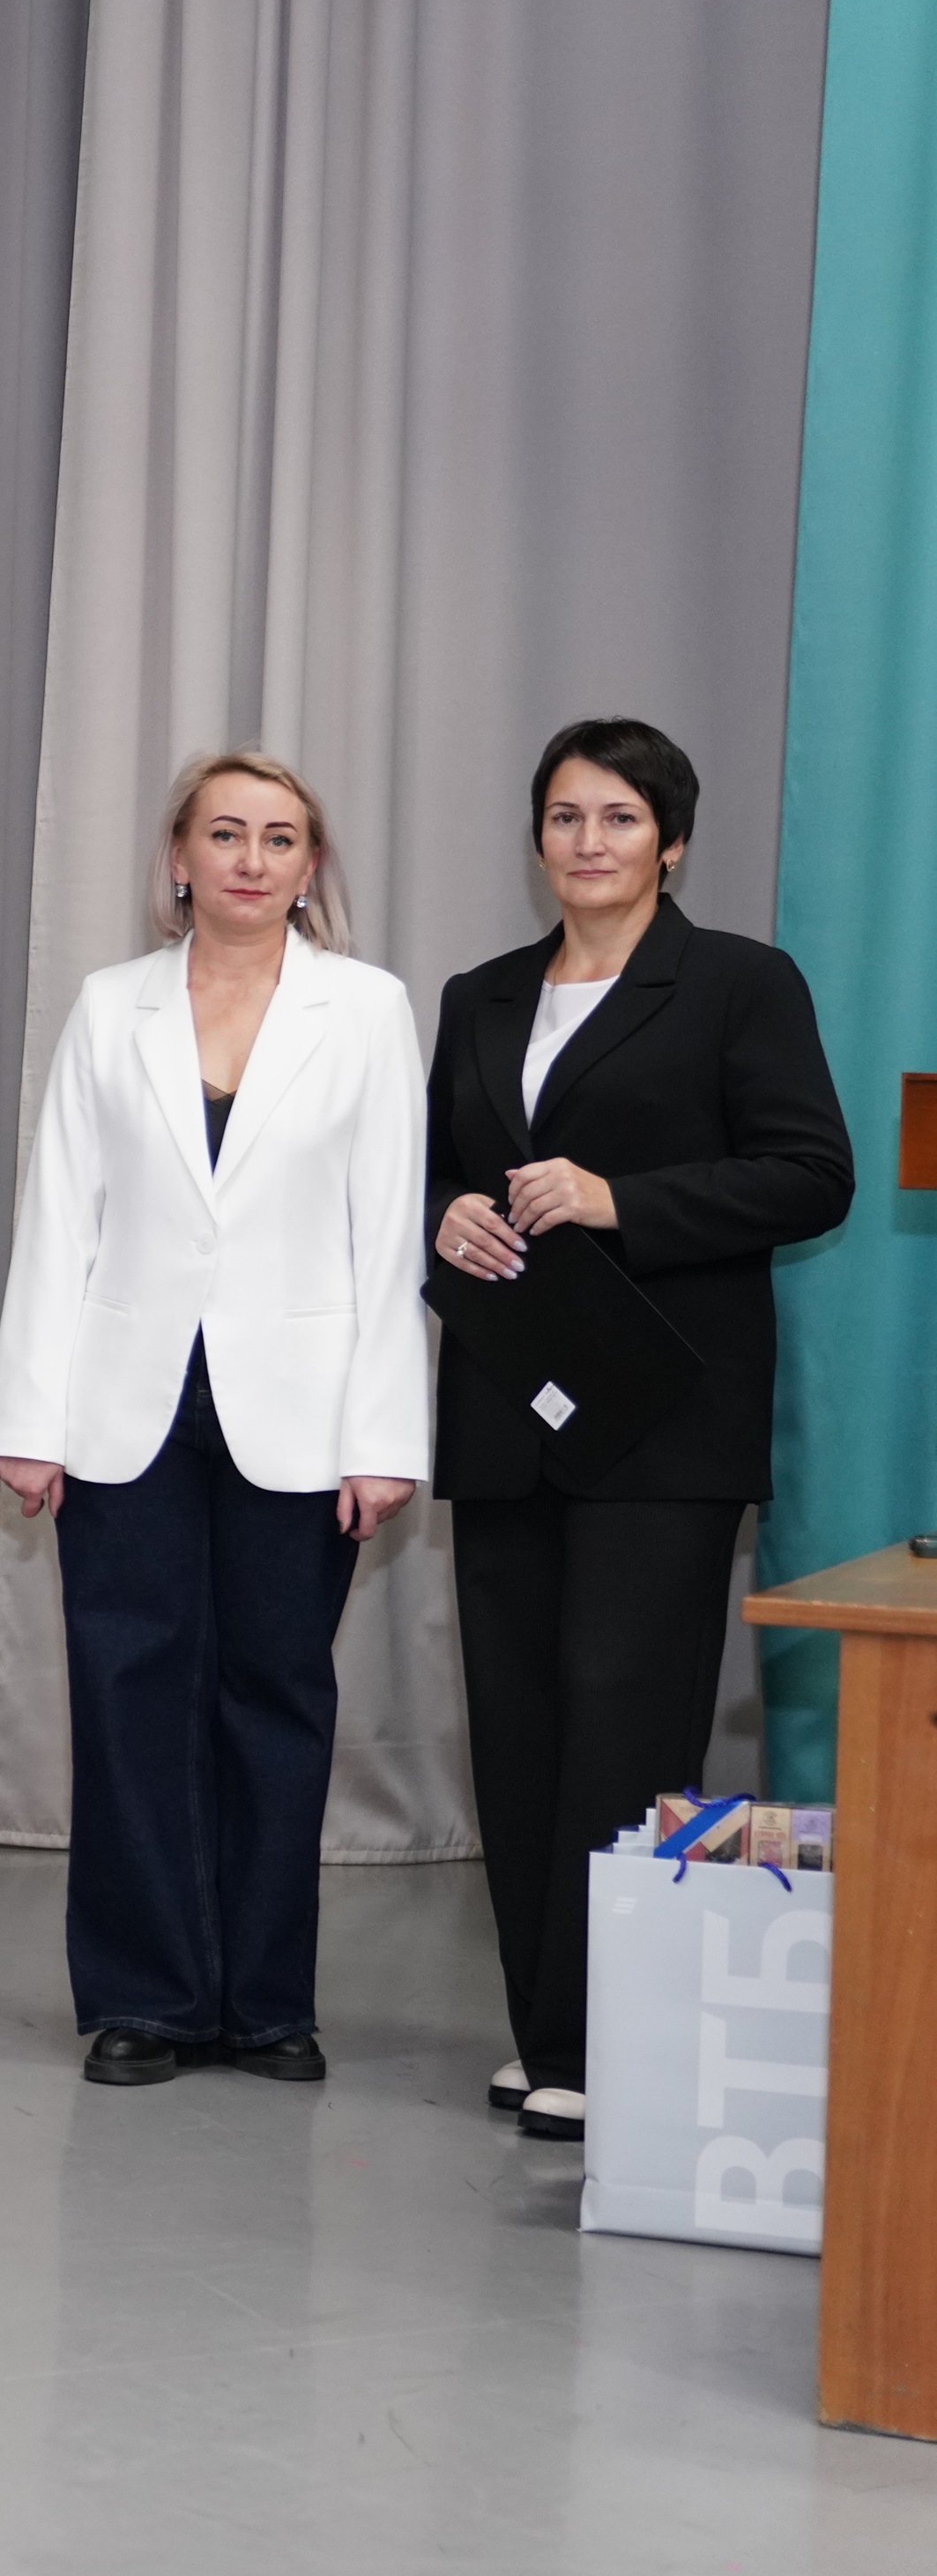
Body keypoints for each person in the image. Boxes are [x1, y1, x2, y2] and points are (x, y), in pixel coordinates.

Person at [428, 718, 851, 2142]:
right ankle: (544, 2029)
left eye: (618, 816)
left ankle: (610, 2040)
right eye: (564, 814)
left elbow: (812, 1172)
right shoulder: (480, 995)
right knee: (520, 1728)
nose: (588, 840)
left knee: (623, 1716)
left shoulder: (738, 982)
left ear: (670, 841)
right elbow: (428, 1175)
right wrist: (447, 1215)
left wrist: (621, 1201)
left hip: (666, 1421)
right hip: (507, 1408)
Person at [0, 754, 428, 2086]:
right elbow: (57, 1214)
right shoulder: (106, 1004)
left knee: (276, 1695)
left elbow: (384, 1231)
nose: (249, 858)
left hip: (302, 1409)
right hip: (124, 1402)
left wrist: (382, 1437)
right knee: (129, 1692)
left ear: (308, 865)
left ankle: (267, 2003)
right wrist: (28, 1414)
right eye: (223, 833)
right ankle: (148, 1998)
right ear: (177, 856)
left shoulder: (366, 1008)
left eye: (278, 838)